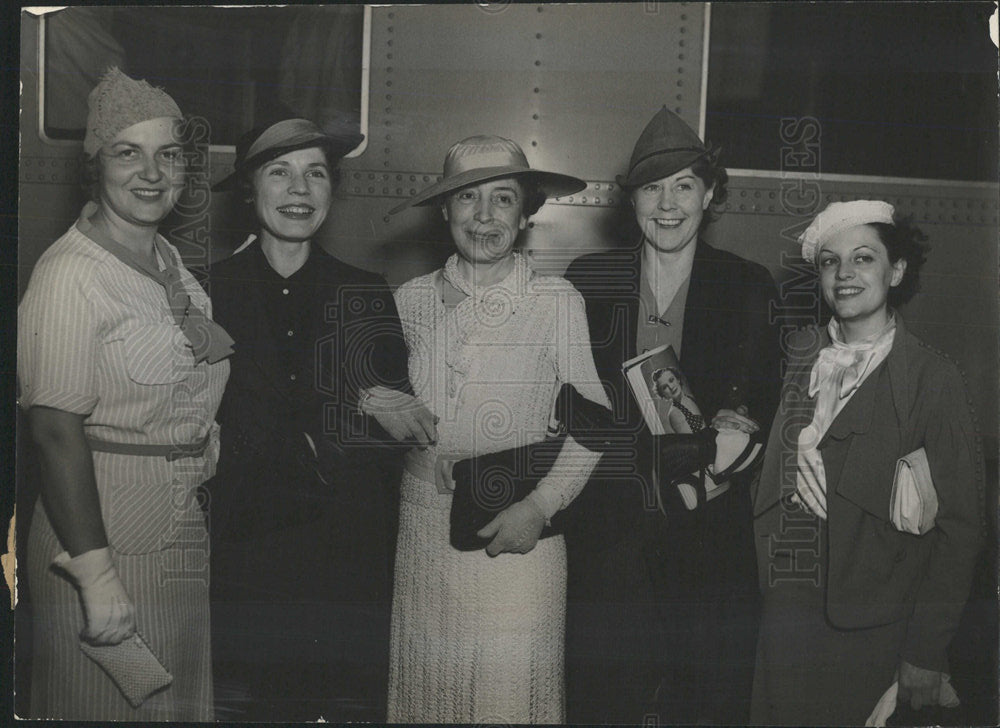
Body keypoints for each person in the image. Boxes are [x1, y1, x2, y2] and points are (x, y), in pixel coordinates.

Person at [17, 67, 232, 720]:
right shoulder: (69, 277)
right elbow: (54, 429)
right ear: (95, 166)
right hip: (100, 536)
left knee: (175, 706)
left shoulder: (167, 263)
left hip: (174, 533)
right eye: (126, 152)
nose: (151, 172)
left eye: (168, 155)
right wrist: (95, 572)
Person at [206, 118, 432, 722]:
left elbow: (395, 426)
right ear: (249, 190)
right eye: (279, 172)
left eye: (315, 174)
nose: (298, 189)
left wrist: (350, 415)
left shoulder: (365, 292)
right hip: (238, 563)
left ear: (332, 192)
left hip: (337, 563)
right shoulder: (206, 291)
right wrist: (339, 411)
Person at [562, 106, 782, 724]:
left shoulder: (747, 286)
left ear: (709, 194)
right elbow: (572, 406)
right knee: (602, 700)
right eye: (652, 187)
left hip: (708, 543)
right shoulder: (588, 281)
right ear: (630, 199)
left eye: (684, 185)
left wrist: (734, 430)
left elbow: (757, 405)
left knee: (707, 704)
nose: (668, 204)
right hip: (610, 541)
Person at [385, 135, 609, 723]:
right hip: (424, 532)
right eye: (467, 199)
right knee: (430, 694)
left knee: (505, 697)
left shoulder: (556, 301)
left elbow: (596, 426)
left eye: (502, 199)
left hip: (515, 530)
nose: (484, 217)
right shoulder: (407, 301)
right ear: (443, 211)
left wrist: (540, 506)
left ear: (526, 213)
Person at [750, 200, 986, 725]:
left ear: (896, 270)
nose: (845, 274)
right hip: (786, 620)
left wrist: (925, 653)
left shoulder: (933, 379)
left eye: (863, 258)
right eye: (831, 262)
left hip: (876, 633)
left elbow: (961, 531)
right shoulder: (800, 359)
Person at [651, 366, 703, 433]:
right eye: (664, 387)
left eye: (671, 380)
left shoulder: (690, 397)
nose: (671, 387)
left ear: (678, 379)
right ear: (663, 394)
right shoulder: (674, 414)